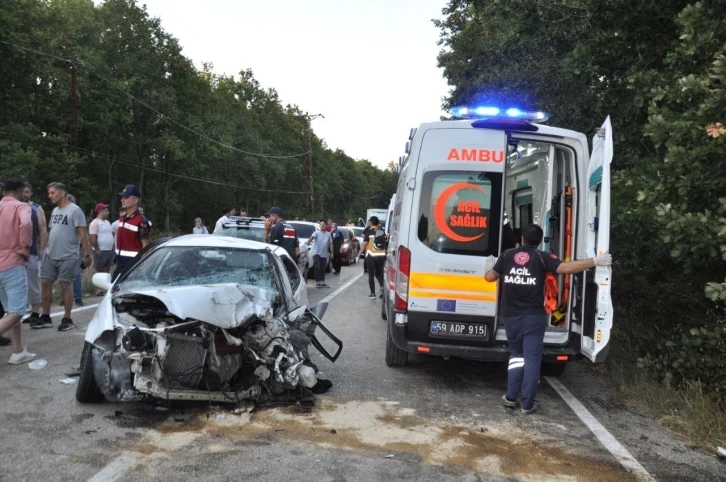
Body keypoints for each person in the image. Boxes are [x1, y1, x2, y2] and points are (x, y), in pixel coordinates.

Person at [484, 223, 612, 414]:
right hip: (533, 318)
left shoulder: (507, 255)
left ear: (522, 239)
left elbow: (489, 278)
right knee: (533, 359)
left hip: (510, 316)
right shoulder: (542, 258)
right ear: (539, 241)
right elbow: (567, 268)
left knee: (516, 356)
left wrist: (489, 267)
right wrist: (595, 261)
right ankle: (527, 404)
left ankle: (511, 397)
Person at [31, 184, 91, 331]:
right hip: (51, 254)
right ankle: (45, 316)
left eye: (52, 193)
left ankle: (67, 319)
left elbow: (83, 235)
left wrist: (86, 255)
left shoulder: (75, 210)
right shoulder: (55, 210)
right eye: (49, 193)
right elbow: (53, 231)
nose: (49, 195)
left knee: (65, 285)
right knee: (45, 282)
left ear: (62, 193)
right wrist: (45, 248)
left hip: (68, 255)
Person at [0, 178, 37, 363]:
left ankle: (18, 351)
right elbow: (27, 224)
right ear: (22, 192)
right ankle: (18, 351)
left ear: (3, 191)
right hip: (12, 262)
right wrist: (26, 246)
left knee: (9, 310)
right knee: (18, 310)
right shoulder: (21, 207)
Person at [21, 182, 48, 326]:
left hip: (32, 251)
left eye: (27, 192)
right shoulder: (14, 207)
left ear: (31, 193)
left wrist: (42, 249)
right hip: (15, 251)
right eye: (22, 192)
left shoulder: (36, 208)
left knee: (32, 282)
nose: (24, 195)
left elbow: (43, 230)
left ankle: (35, 310)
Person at [113, 185, 151, 282]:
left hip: (133, 264)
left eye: (126, 197)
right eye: (122, 197)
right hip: (120, 261)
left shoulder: (141, 220)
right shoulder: (123, 217)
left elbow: (145, 245)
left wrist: (141, 265)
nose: (122, 200)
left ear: (135, 200)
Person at [89, 203, 115, 294]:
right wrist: (97, 249)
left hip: (108, 249)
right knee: (100, 269)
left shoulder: (107, 222)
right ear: (100, 212)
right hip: (101, 249)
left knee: (107, 268)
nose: (108, 212)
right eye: (106, 211)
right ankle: (99, 289)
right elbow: (92, 237)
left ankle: (105, 287)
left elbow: (110, 234)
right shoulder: (95, 223)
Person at [360, 216, 386, 299]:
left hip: (371, 256)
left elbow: (364, 244)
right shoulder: (382, 231)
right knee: (379, 274)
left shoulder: (369, 231)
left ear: (371, 222)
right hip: (381, 256)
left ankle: (372, 293)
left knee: (371, 275)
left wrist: (358, 254)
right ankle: (382, 288)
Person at [307, 219, 333, 288]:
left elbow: (331, 243)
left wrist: (332, 252)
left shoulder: (328, 234)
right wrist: (308, 242)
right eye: (321, 224)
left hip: (324, 254)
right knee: (317, 267)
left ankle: (322, 281)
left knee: (322, 268)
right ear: (319, 226)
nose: (322, 225)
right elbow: (311, 238)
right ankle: (318, 282)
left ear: (326, 226)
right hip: (316, 253)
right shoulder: (316, 233)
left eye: (323, 224)